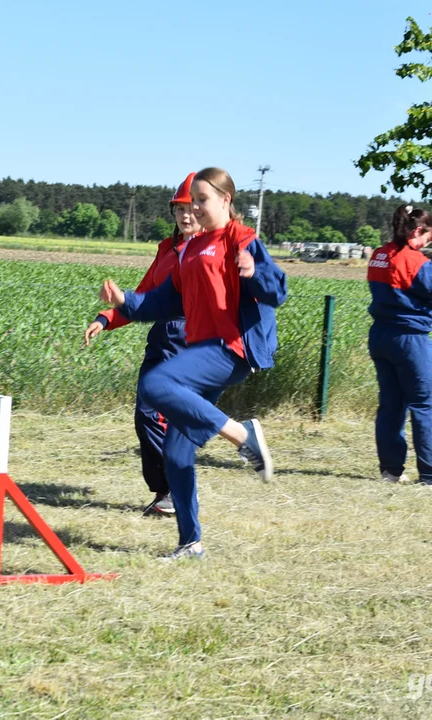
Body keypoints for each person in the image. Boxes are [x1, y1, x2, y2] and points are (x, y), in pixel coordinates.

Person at [97, 167, 288, 560]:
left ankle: (243, 434)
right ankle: (190, 543)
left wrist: (255, 274)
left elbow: (278, 290)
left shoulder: (241, 239)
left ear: (225, 200)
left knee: (154, 386)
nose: (194, 208)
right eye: (190, 202)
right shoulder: (189, 249)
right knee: (177, 453)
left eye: (201, 200)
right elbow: (163, 302)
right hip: (200, 351)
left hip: (231, 348)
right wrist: (125, 303)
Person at [84, 173, 200, 517]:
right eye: (180, 209)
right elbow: (143, 297)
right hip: (162, 341)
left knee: (167, 418)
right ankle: (167, 491)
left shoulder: (213, 251)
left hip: (194, 345)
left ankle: (173, 492)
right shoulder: (166, 250)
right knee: (146, 417)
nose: (186, 215)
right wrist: (107, 317)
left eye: (193, 208)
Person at [367, 204, 432, 490]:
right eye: (428, 233)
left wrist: (427, 252)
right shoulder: (416, 261)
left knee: (391, 406)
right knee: (424, 404)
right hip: (411, 340)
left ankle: (391, 470)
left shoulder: (379, 255)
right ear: (418, 231)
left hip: (381, 336)